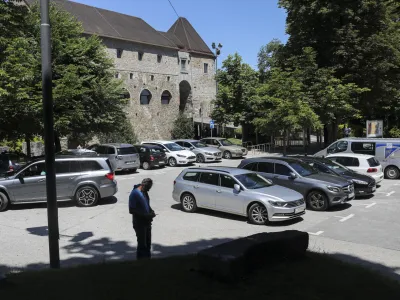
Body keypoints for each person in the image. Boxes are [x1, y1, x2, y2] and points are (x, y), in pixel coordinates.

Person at [129, 178, 156, 260]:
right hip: (139, 223)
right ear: (143, 185)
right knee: (142, 245)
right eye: (148, 188)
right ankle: (141, 262)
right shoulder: (134, 194)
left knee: (148, 243)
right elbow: (131, 210)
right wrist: (145, 215)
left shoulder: (145, 192)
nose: (148, 190)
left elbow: (146, 204)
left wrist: (151, 211)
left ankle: (148, 261)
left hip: (147, 222)